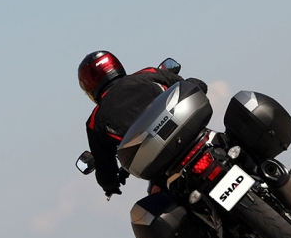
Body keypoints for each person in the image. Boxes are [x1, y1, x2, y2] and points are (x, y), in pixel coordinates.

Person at [78, 50, 207, 198]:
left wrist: (110, 186)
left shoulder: (95, 121)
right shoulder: (147, 74)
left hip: (161, 165)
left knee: (155, 204)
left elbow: (105, 167)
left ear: (90, 87)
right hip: (196, 138)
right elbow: (188, 85)